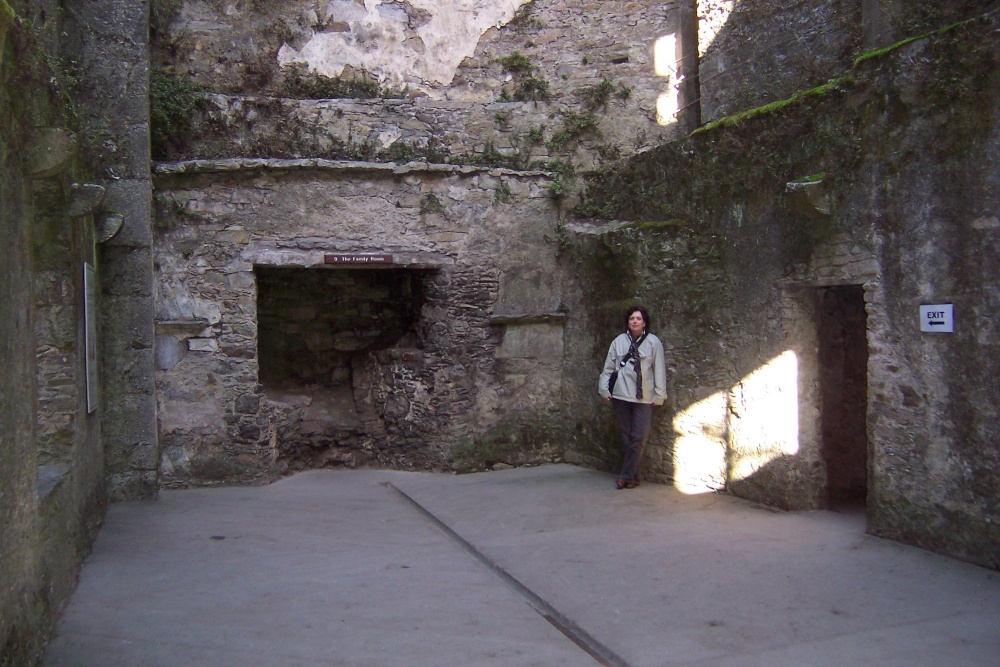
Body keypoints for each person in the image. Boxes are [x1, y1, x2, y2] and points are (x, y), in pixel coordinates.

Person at [598, 305, 667, 489]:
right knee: (627, 438)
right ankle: (632, 478)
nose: (634, 321)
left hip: (644, 397)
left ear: (644, 322)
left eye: (638, 318)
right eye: (631, 319)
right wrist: (604, 390)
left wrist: (659, 394)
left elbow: (658, 369)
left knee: (638, 436)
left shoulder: (653, 342)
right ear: (628, 322)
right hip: (621, 394)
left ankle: (624, 476)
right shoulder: (618, 341)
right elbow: (608, 368)